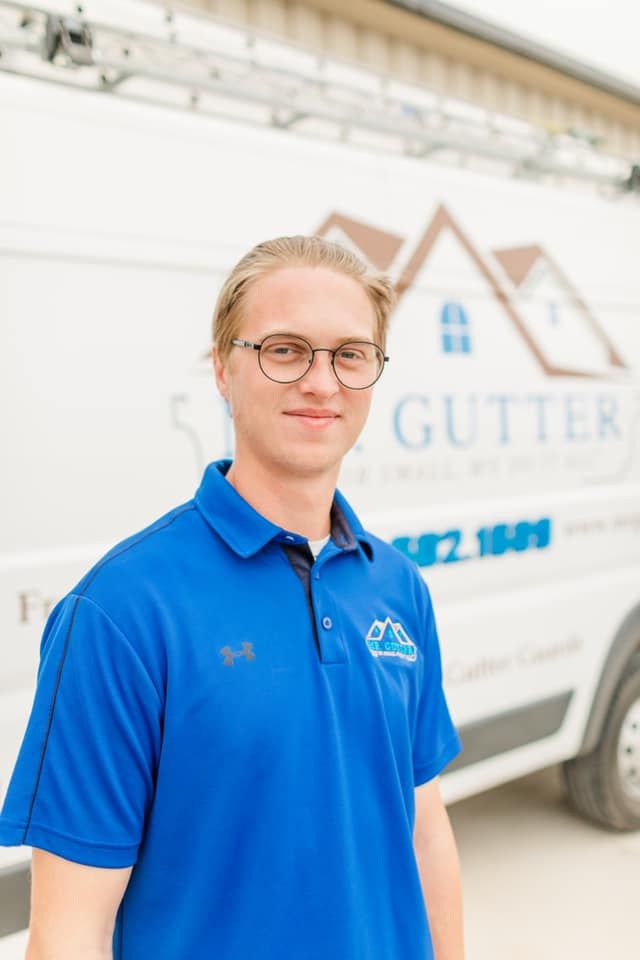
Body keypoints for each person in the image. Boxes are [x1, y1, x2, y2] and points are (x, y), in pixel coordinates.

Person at [0, 236, 464, 960]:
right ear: (222, 367)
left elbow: (424, 826)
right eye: (285, 350)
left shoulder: (397, 587)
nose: (322, 381)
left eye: (350, 354)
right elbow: (69, 932)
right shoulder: (120, 613)